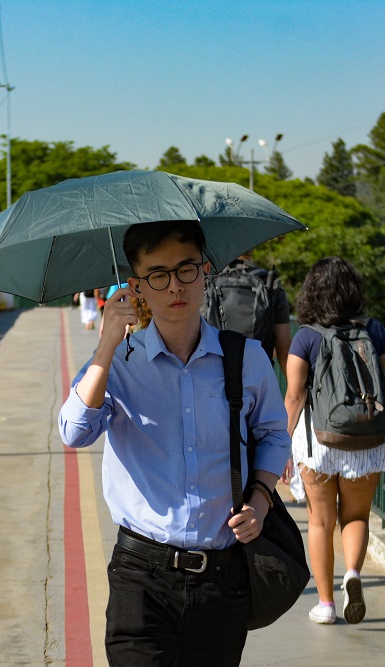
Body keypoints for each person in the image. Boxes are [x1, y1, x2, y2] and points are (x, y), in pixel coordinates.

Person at [59, 220, 291, 666]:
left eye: (186, 270)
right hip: (140, 578)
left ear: (206, 271)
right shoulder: (119, 364)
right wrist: (107, 344)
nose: (174, 286)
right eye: (157, 275)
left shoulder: (246, 358)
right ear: (137, 285)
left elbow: (273, 435)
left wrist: (260, 500)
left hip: (222, 577)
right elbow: (74, 431)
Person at [281, 257, 385, 626]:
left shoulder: (306, 336)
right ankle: (352, 573)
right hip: (367, 441)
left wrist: (280, 445)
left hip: (319, 442)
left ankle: (325, 604)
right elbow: (382, 384)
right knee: (355, 516)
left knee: (321, 522)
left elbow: (294, 397)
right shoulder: (375, 331)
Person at [202, 252, 291, 372]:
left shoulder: (208, 282)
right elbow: (284, 350)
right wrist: (295, 389)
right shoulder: (269, 283)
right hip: (258, 376)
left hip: (214, 375)